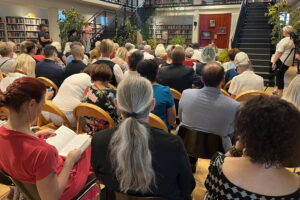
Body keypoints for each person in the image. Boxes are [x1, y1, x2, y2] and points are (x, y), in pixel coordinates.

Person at [91, 75, 195, 200]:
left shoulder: (99, 140)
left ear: (117, 104)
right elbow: (188, 186)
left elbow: (99, 176)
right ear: (152, 105)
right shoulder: (173, 143)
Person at [0, 77, 96, 200]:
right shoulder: (44, 152)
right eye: (42, 105)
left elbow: (18, 150)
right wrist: (69, 162)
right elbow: (51, 197)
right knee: (86, 148)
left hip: (32, 185)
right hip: (60, 190)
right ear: (31, 104)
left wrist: (34, 136)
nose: (41, 110)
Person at [205, 96, 300, 199]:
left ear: (243, 132)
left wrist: (237, 148)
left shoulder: (219, 164)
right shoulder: (297, 185)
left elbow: (209, 190)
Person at [179, 62, 240, 171]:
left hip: (186, 143)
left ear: (202, 79)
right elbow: (231, 132)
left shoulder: (186, 93)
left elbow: (181, 118)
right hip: (218, 149)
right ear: (223, 80)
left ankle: (190, 164)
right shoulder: (234, 105)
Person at [137, 59, 176, 130]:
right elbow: (172, 120)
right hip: (161, 134)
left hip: (138, 133)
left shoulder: (132, 91)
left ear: (139, 74)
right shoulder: (165, 91)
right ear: (157, 73)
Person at [81, 64, 119, 135]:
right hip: (106, 130)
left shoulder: (88, 89)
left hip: (89, 127)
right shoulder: (111, 93)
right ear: (108, 78)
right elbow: (117, 114)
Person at [272, 25, 296, 96]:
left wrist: (273, 62)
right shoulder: (291, 40)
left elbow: (279, 52)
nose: (283, 32)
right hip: (287, 62)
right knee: (278, 74)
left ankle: (280, 94)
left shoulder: (285, 40)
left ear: (286, 32)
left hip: (282, 60)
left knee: (279, 76)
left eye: (283, 31)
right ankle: (276, 90)